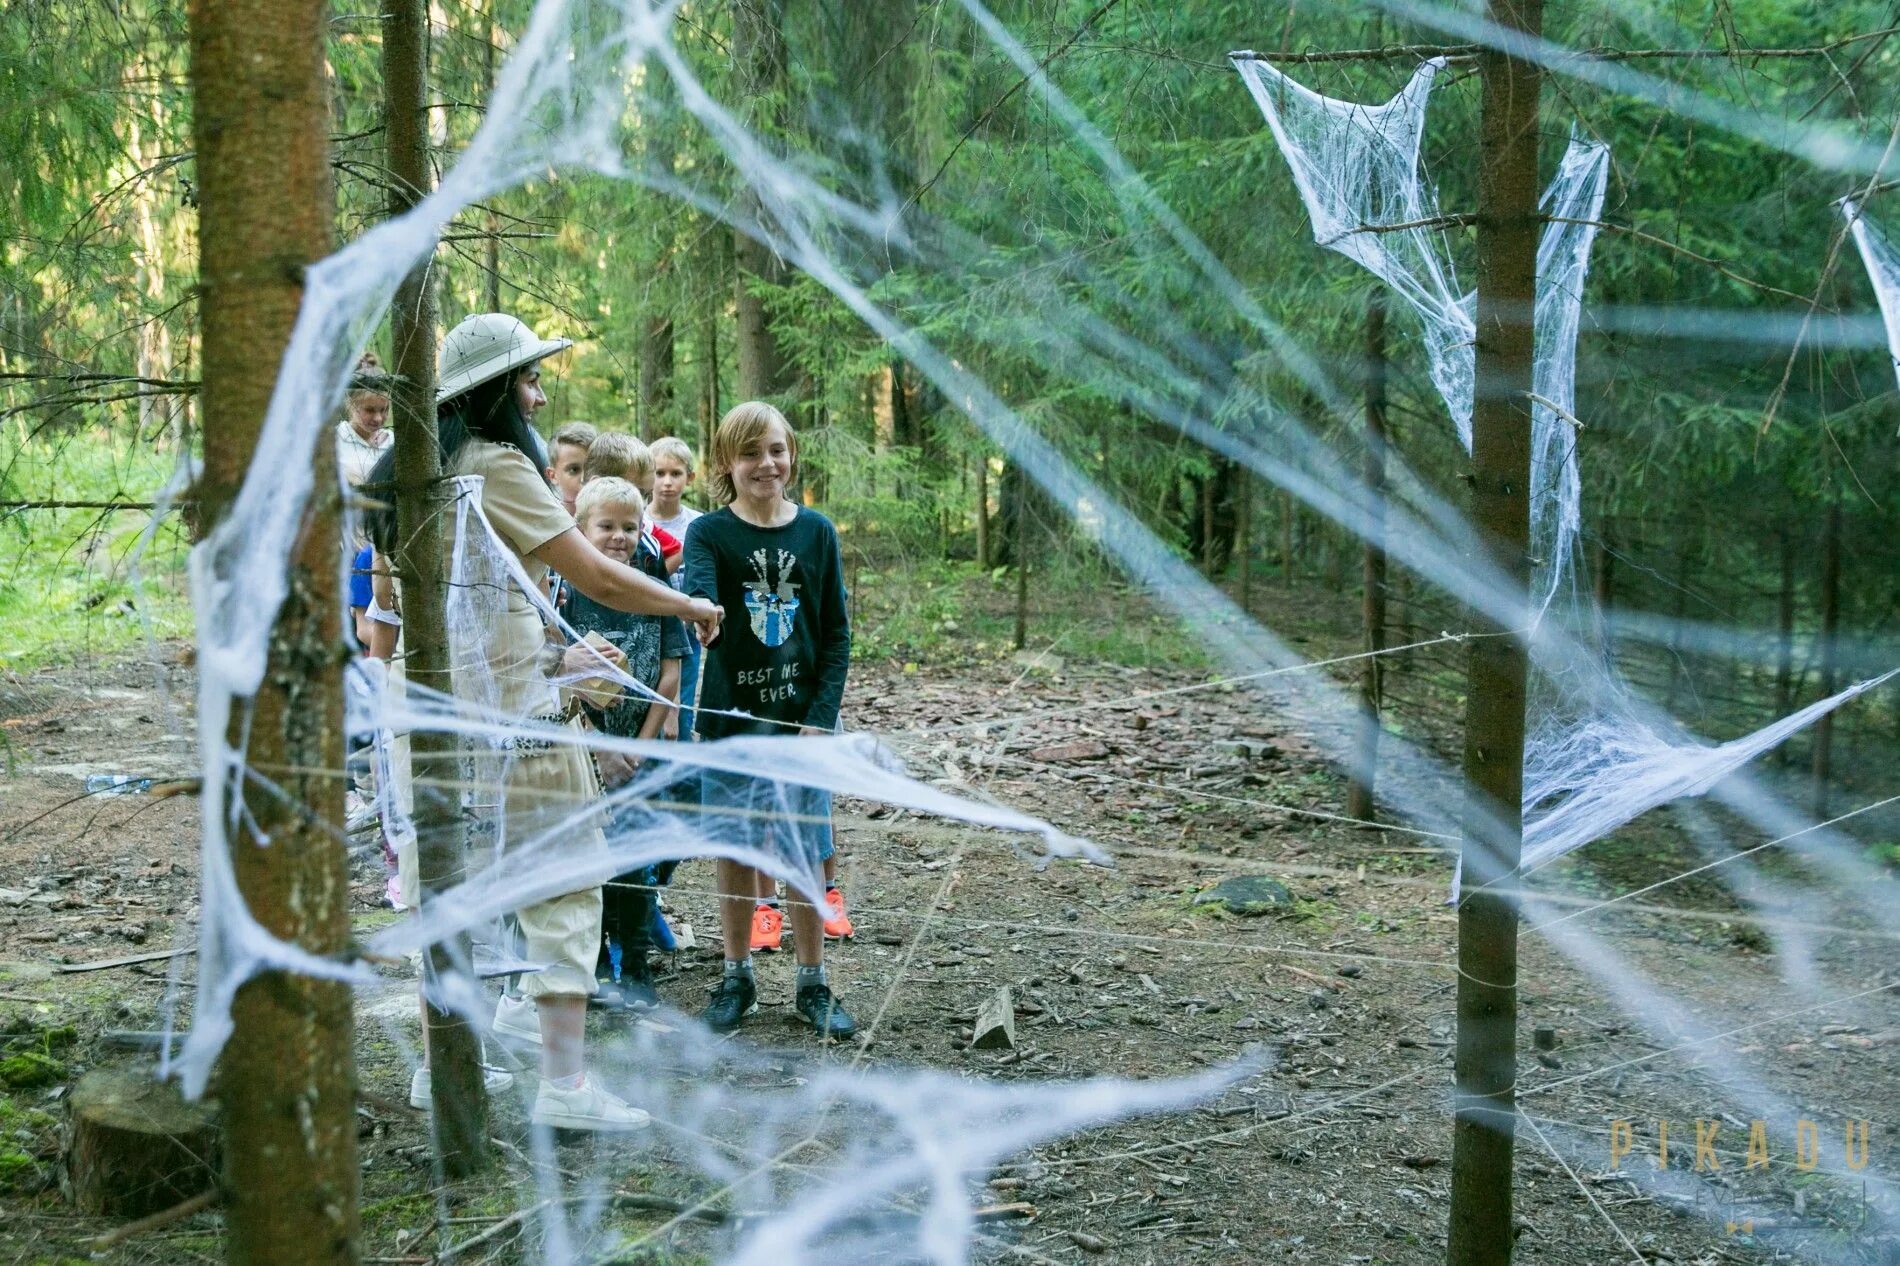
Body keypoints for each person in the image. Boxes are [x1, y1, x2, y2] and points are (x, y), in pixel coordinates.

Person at [365, 312, 721, 1131]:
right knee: (566, 873)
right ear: (493, 393)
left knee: (451, 883)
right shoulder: (495, 465)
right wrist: (690, 602)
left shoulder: (408, 471)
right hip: (509, 721)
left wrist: (559, 660)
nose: (538, 391)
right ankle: (563, 1088)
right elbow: (597, 571)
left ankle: (446, 1062)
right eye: (527, 378)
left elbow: (443, 615)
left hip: (425, 709)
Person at [683, 401, 855, 1039]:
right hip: (729, 724)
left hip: (799, 728)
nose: (766, 464)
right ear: (726, 463)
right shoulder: (709, 534)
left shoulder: (817, 533)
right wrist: (700, 610)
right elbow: (700, 589)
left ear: (792, 457)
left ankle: (813, 984)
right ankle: (737, 978)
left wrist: (821, 717)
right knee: (733, 849)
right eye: (750, 453)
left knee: (805, 853)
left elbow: (836, 635)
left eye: (776, 450)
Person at [557, 477, 684, 1011]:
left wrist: (642, 745)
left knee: (641, 853)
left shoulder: (652, 590)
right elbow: (556, 679)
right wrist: (598, 748)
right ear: (582, 531)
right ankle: (602, 961)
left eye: (629, 528)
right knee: (597, 857)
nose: (618, 537)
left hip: (640, 750)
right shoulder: (565, 594)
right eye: (605, 527)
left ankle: (635, 963)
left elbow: (672, 672)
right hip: (584, 753)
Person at [582, 432, 684, 575]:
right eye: (634, 492)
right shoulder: (561, 545)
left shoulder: (649, 551)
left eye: (647, 495)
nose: (642, 504)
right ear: (595, 485)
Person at [336, 353, 392, 491]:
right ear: (350, 404)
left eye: (384, 409)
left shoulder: (393, 442)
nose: (378, 418)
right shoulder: (334, 440)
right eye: (369, 410)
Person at [544, 420, 598, 517]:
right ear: (553, 476)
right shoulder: (550, 518)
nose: (585, 478)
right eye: (574, 470)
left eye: (592, 468)